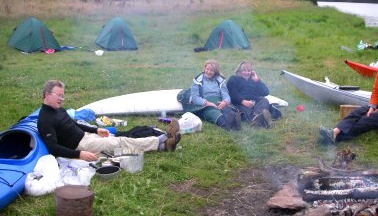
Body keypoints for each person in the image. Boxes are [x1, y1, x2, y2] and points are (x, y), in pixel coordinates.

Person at [37, 80, 181, 162]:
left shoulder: (57, 109)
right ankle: (159, 140)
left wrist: (95, 129)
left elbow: (74, 124)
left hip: (86, 137)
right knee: (120, 142)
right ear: (47, 95)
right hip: (80, 146)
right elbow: (52, 147)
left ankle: (163, 145)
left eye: (63, 96)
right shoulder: (45, 119)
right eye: (59, 96)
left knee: (118, 144)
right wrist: (79, 154)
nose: (62, 99)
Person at [319, 45, 378, 144]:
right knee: (356, 113)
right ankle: (334, 131)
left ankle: (336, 139)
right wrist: (372, 107)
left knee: (365, 121)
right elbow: (375, 91)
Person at [188, 60, 240, 130]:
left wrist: (225, 102)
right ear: (204, 68)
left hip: (219, 103)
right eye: (207, 69)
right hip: (205, 105)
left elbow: (226, 96)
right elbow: (195, 98)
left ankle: (233, 121)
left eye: (212, 70)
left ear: (215, 72)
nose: (209, 72)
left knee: (227, 110)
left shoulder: (220, 80)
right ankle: (226, 125)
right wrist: (207, 103)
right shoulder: (198, 80)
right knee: (214, 113)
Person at [227, 61, 277, 128]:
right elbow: (232, 93)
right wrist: (242, 101)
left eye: (249, 71)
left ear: (252, 72)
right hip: (241, 103)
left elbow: (265, 92)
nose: (247, 73)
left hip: (256, 103)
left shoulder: (254, 80)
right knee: (247, 110)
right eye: (244, 70)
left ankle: (257, 118)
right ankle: (264, 120)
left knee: (264, 100)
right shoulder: (234, 79)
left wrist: (257, 81)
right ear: (239, 71)